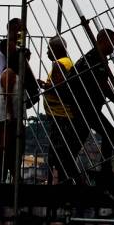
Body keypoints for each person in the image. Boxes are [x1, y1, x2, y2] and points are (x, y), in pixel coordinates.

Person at [0, 18, 39, 183]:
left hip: (5, 99)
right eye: (21, 31)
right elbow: (18, 62)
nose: (23, 35)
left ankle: (11, 175)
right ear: (13, 30)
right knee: (8, 142)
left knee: (9, 143)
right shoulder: (6, 46)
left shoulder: (10, 49)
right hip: (1, 100)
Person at [67, 29, 114, 170]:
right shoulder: (95, 58)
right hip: (85, 107)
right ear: (102, 41)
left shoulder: (98, 57)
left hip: (88, 107)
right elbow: (102, 84)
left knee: (77, 141)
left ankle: (66, 169)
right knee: (109, 133)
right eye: (112, 43)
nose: (113, 47)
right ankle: (105, 169)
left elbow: (103, 84)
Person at [40, 36, 81, 182]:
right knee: (61, 157)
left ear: (56, 49)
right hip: (62, 117)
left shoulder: (59, 64)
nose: (46, 52)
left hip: (61, 117)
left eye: (48, 49)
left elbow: (60, 89)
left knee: (57, 157)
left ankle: (64, 187)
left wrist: (45, 86)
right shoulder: (67, 63)